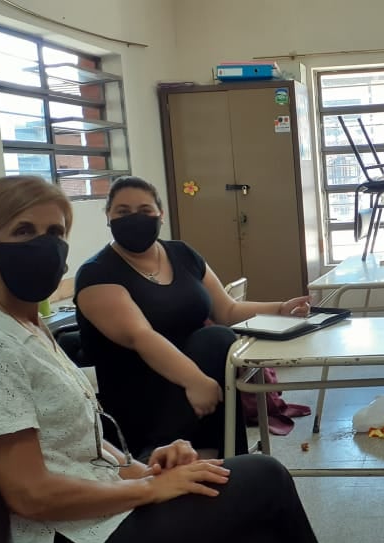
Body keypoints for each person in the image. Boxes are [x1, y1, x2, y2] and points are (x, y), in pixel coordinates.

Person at [0, 176, 373, 543]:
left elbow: (79, 449)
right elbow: (31, 495)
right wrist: (150, 488)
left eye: (55, 233)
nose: (45, 245)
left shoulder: (24, 327)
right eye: (24, 231)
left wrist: (143, 469)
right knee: (264, 477)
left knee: (242, 516)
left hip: (94, 516)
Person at [75, 176, 311, 460]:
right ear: (108, 216)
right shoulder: (97, 273)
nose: (134, 218)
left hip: (202, 387)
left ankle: (220, 458)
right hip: (142, 397)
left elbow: (227, 311)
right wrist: (195, 380)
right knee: (215, 339)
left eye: (145, 210)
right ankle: (163, 453)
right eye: (123, 211)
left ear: (160, 214)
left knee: (217, 338)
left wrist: (281, 308)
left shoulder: (182, 254)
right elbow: (141, 336)